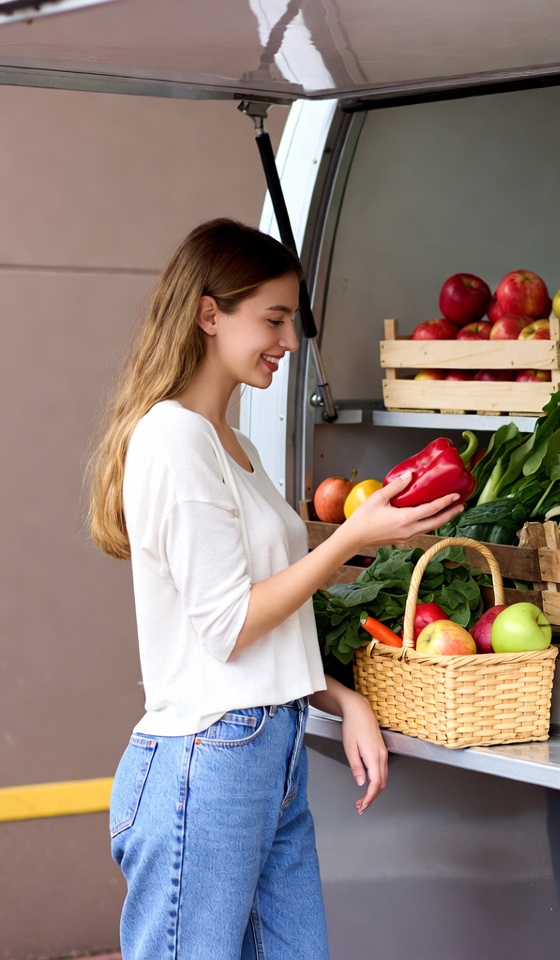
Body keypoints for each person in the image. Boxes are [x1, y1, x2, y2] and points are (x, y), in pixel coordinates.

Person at [86, 217, 463, 960]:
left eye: (291, 321)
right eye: (274, 318)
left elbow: (261, 632)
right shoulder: (174, 439)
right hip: (208, 760)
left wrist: (339, 697)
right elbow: (229, 627)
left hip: (266, 755)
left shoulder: (235, 445)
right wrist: (354, 537)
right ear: (208, 314)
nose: (290, 342)